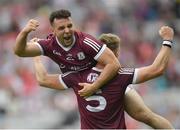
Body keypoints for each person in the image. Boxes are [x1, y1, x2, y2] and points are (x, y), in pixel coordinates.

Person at [33, 26, 174, 129]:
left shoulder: (78, 75)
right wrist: (167, 40)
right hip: (119, 90)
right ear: (117, 53)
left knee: (145, 115)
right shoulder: (121, 76)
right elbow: (158, 69)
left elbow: (43, 79)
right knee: (147, 116)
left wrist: (37, 56)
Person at [14, 9, 120, 97]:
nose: (67, 30)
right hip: (77, 82)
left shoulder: (85, 42)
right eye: (61, 28)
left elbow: (114, 64)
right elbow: (20, 51)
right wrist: (25, 32)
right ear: (53, 31)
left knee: (136, 109)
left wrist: (93, 87)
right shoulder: (49, 45)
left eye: (69, 26)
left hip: (106, 82)